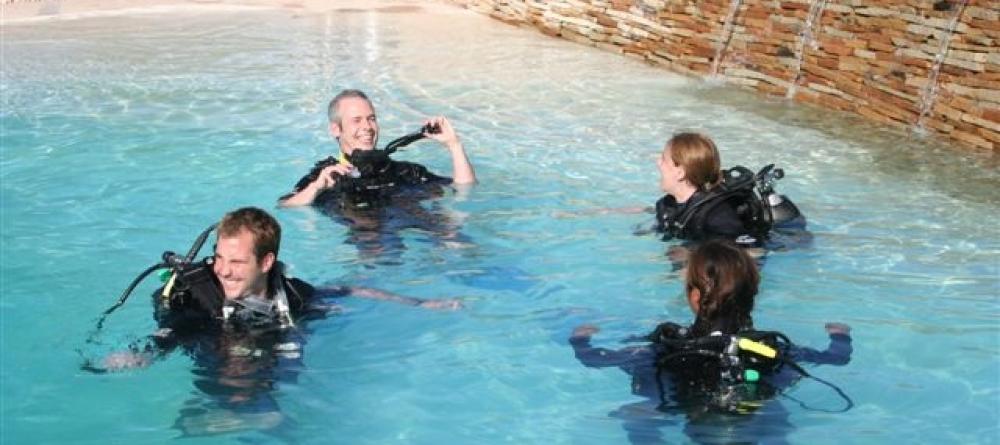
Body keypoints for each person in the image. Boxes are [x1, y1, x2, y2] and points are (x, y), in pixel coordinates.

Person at [100, 206, 462, 372]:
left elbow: (349, 290)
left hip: (265, 333)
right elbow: (174, 331)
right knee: (237, 374)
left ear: (266, 263)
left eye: (238, 263)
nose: (223, 271)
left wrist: (421, 303)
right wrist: (140, 353)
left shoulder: (291, 294)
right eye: (219, 258)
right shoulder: (202, 295)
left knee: (286, 365)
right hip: (211, 342)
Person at [569, 239, 851, 443]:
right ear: (752, 295)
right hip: (750, 413)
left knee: (635, 414)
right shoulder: (767, 347)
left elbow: (595, 360)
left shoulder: (669, 346)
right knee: (774, 416)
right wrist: (840, 335)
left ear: (694, 297)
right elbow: (836, 358)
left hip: (689, 409)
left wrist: (580, 341)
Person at [278, 89, 476, 209]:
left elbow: (464, 189)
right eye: (357, 120)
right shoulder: (326, 176)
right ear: (336, 129)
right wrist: (316, 188)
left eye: (371, 118)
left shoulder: (404, 171)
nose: (367, 127)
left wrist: (454, 145)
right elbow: (285, 205)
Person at [653, 132, 804, 247]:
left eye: (664, 159)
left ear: (680, 173)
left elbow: (750, 253)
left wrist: (691, 256)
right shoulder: (666, 204)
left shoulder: (718, 218)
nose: (658, 162)